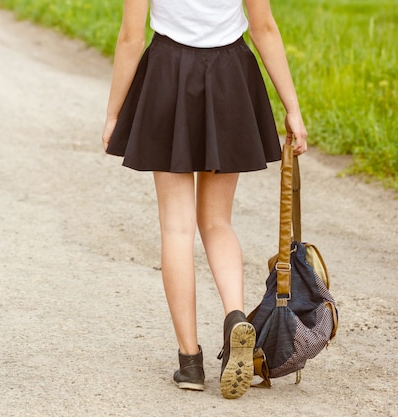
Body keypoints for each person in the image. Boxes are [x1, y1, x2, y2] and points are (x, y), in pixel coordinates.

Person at [102, 0, 308, 400]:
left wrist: (113, 113)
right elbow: (263, 27)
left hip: (167, 74)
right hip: (230, 75)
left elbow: (131, 36)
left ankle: (190, 362)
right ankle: (235, 320)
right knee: (217, 222)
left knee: (177, 228)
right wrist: (293, 108)